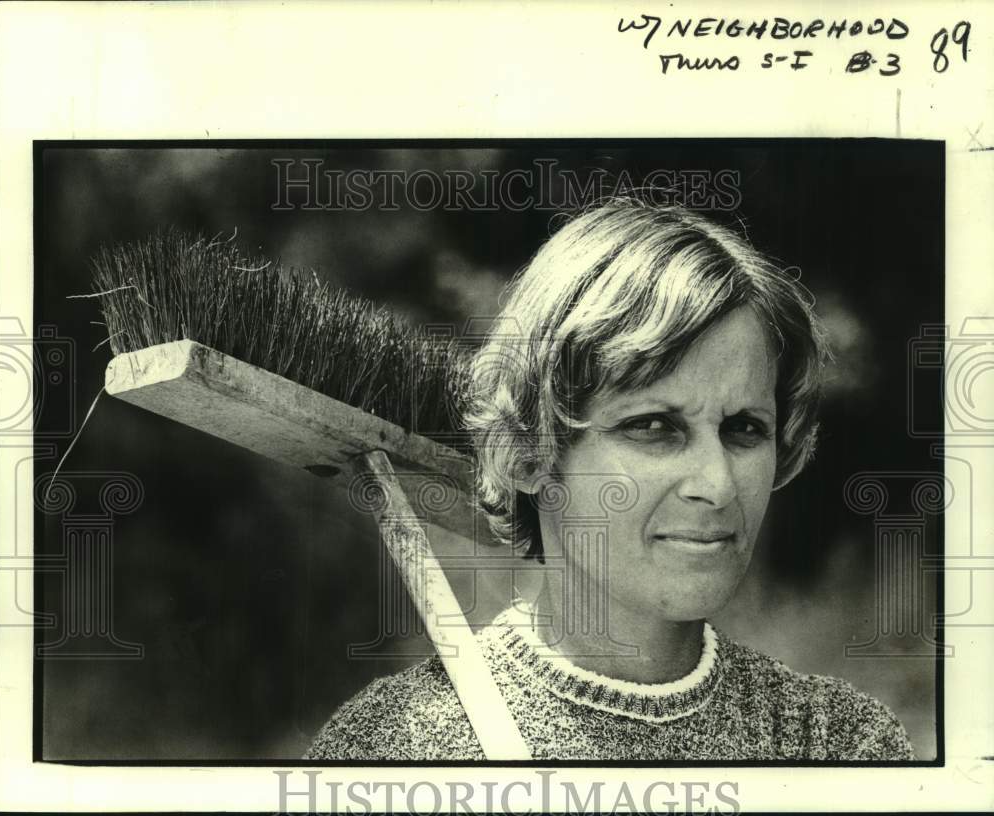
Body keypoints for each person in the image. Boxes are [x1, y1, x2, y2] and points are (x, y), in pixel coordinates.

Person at [305, 197, 914, 761]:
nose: (718, 484)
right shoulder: (394, 746)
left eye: (744, 430)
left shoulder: (840, 743)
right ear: (528, 454)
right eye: (653, 426)